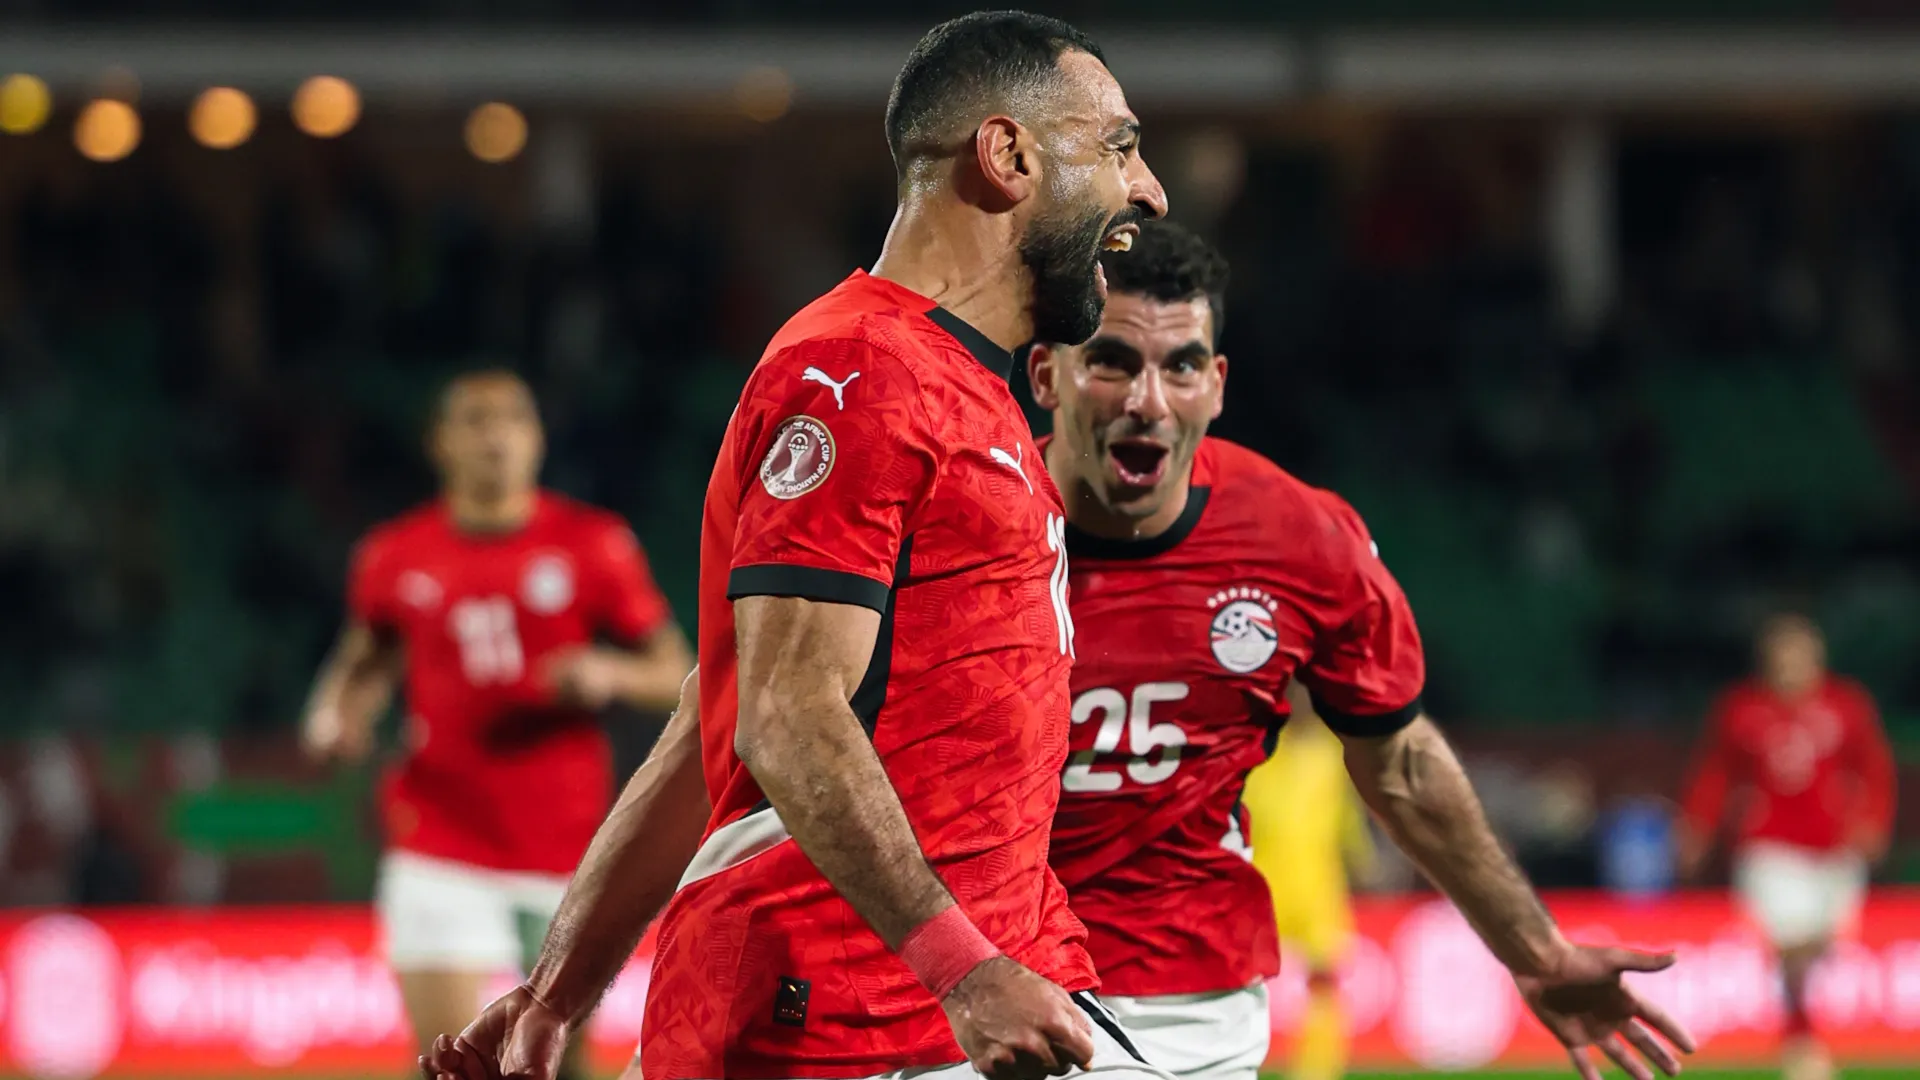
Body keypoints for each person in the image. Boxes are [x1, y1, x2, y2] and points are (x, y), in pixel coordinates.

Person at [418, 12, 1168, 1080]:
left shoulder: (961, 384)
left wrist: (556, 993)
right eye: (1120, 147)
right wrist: (963, 970)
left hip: (968, 986)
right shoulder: (861, 376)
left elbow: (711, 714)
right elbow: (781, 712)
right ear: (1007, 158)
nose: (1149, 192)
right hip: (851, 1018)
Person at [1029, 219, 1695, 1080]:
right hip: (973, 984)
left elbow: (1403, 767)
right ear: (1047, 372)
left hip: (1183, 1008)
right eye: (1113, 360)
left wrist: (1536, 951)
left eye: (1182, 364)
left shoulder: (1299, 538)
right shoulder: (957, 523)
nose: (1147, 400)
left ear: (1218, 384)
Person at [300, 370, 692, 1067]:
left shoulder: (592, 544)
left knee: (560, 1064)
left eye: (514, 418)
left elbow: (676, 672)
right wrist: (335, 716)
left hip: (567, 846)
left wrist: (608, 672)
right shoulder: (394, 555)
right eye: (476, 420)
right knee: (457, 1064)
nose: (497, 436)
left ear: (537, 439)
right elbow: (363, 664)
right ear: (440, 443)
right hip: (439, 840)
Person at [1677, 612, 1895, 1080]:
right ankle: (1802, 1048)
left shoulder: (1846, 705)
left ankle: (1804, 1036)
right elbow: (1715, 774)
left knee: (1822, 944)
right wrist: (1698, 826)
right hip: (1768, 847)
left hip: (1833, 850)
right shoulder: (1741, 709)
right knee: (1787, 944)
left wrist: (1874, 821)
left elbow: (1874, 768)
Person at [1241, 688, 1375, 1080]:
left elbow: (1345, 817)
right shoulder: (1262, 751)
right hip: (1263, 882)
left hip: (1319, 883)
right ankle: (1237, 1061)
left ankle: (1316, 1072)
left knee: (1326, 982)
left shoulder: (1332, 753)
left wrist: (1363, 862)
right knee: (1242, 982)